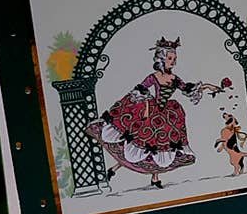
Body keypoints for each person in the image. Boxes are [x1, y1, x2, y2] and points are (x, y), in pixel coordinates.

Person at [86, 36, 222, 189]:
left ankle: (154, 178)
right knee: (141, 143)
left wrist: (208, 86)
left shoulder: (174, 78)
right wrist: (145, 107)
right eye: (170, 58)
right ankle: (116, 168)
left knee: (158, 147)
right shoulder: (154, 77)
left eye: (174, 58)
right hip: (151, 111)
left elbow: (188, 89)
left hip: (166, 113)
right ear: (162, 59)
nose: (173, 61)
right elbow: (140, 89)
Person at [215, 111, 247, 176]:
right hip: (231, 147)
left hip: (233, 149)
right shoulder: (226, 130)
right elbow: (225, 141)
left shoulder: (229, 130)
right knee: (235, 159)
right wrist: (221, 147)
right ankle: (241, 168)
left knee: (233, 161)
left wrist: (218, 140)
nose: (226, 116)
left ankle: (237, 170)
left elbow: (226, 139)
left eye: (229, 116)